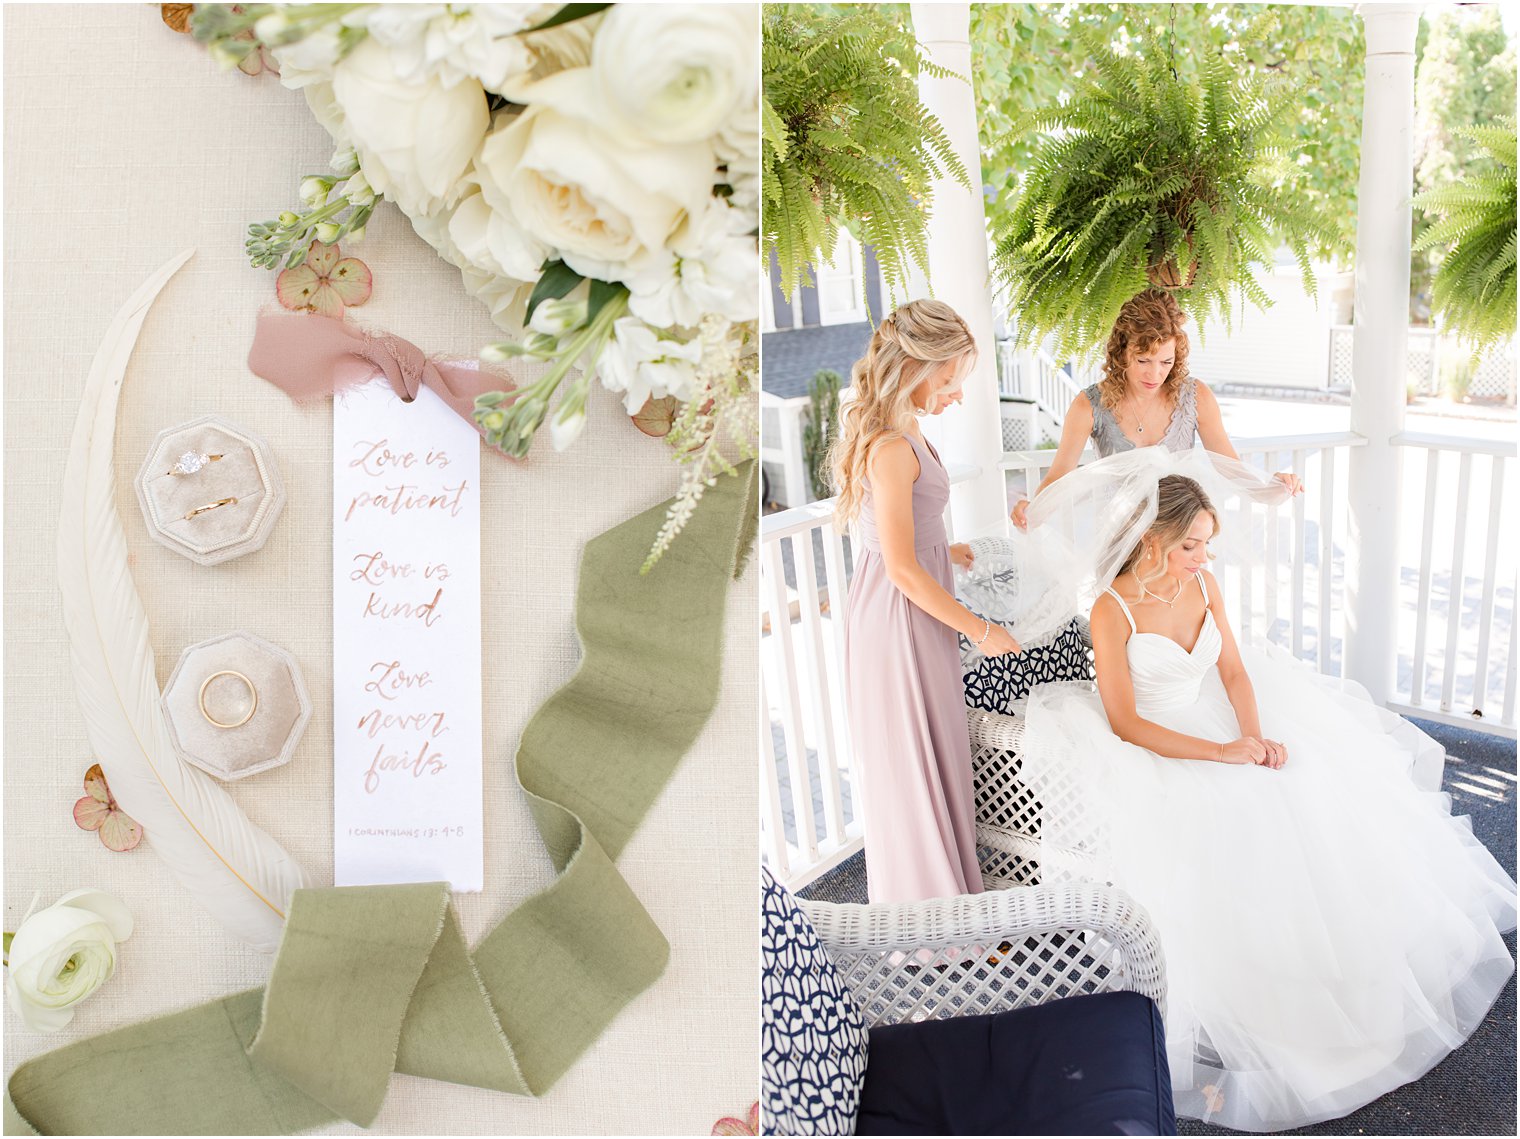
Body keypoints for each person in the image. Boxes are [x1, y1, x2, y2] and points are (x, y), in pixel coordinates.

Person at [1016, 461, 1516, 1132]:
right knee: (1237, 815)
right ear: (1153, 539)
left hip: (1223, 717)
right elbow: (1126, 722)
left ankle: (1347, 973)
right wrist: (1222, 753)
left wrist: (1255, 736)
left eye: (1207, 542)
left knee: (1306, 787)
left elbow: (1233, 669)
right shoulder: (1112, 607)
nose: (1204, 556)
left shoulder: (1206, 584)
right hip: (1161, 740)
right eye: (1192, 544)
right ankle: (1268, 996)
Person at [833, 299, 1019, 903]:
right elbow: (902, 569)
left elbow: (910, 534)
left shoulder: (908, 430)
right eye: (949, 381)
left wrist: (952, 548)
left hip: (914, 609)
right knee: (913, 768)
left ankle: (953, 906)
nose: (957, 396)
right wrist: (981, 630)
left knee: (937, 756)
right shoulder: (890, 446)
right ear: (915, 367)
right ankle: (933, 929)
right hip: (899, 619)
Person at [1011, 289, 1303, 529]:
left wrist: (1273, 486)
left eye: (1166, 362)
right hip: (1120, 537)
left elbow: (1231, 468)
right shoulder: (1088, 406)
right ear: (1121, 351)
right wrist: (1032, 510)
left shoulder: (1195, 396)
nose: (1155, 375)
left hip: (1179, 536)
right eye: (1143, 361)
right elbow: (1059, 476)